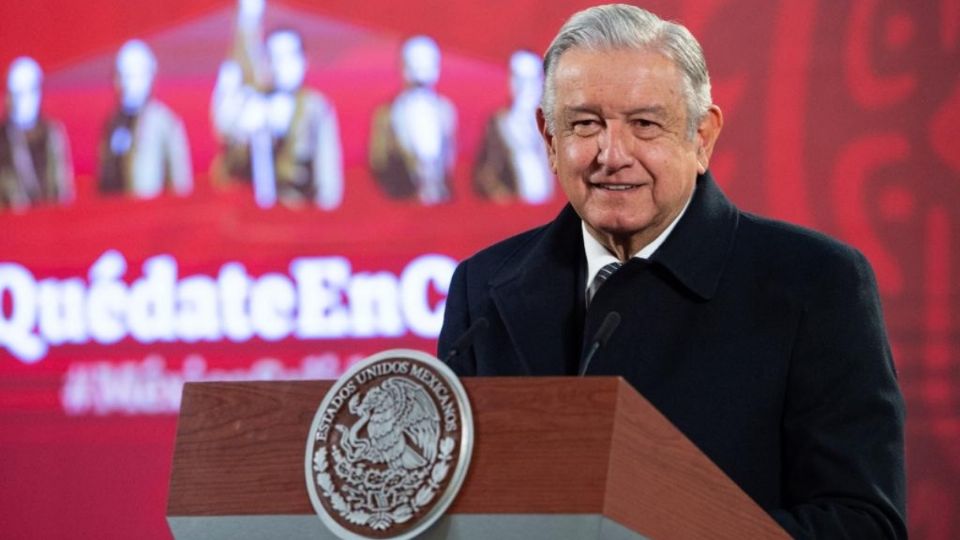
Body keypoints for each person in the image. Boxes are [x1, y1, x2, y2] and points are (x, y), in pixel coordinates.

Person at [438, 5, 906, 539]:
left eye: (644, 124)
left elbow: (863, 525)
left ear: (702, 136)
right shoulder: (484, 288)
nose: (612, 155)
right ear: (548, 137)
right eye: (585, 124)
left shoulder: (816, 284)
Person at [211, 26, 343, 209]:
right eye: (274, 58)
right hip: (250, 217)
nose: (281, 65)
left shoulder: (316, 108)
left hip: (300, 218)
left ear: (303, 61)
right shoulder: (251, 104)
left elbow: (328, 181)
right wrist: (242, 136)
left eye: (288, 57)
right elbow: (225, 174)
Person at [97, 39, 193, 197]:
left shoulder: (164, 122)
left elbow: (180, 182)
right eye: (123, 76)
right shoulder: (113, 122)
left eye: (135, 75)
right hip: (115, 213)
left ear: (150, 76)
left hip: (152, 214)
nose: (128, 83)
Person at [369, 35, 457, 204]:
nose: (419, 75)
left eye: (426, 65)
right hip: (403, 204)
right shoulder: (386, 115)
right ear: (401, 67)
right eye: (412, 66)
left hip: (441, 203)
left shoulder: (446, 111)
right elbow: (378, 162)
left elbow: (449, 160)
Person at [473, 50, 554, 204]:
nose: (525, 87)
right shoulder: (499, 124)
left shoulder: (553, 123)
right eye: (519, 79)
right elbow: (485, 175)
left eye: (531, 80)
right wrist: (503, 199)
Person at [0, 56, 73, 210]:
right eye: (14, 93)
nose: (19, 101)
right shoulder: (3, 138)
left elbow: (62, 185)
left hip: (50, 220)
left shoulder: (52, 133)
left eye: (25, 93)